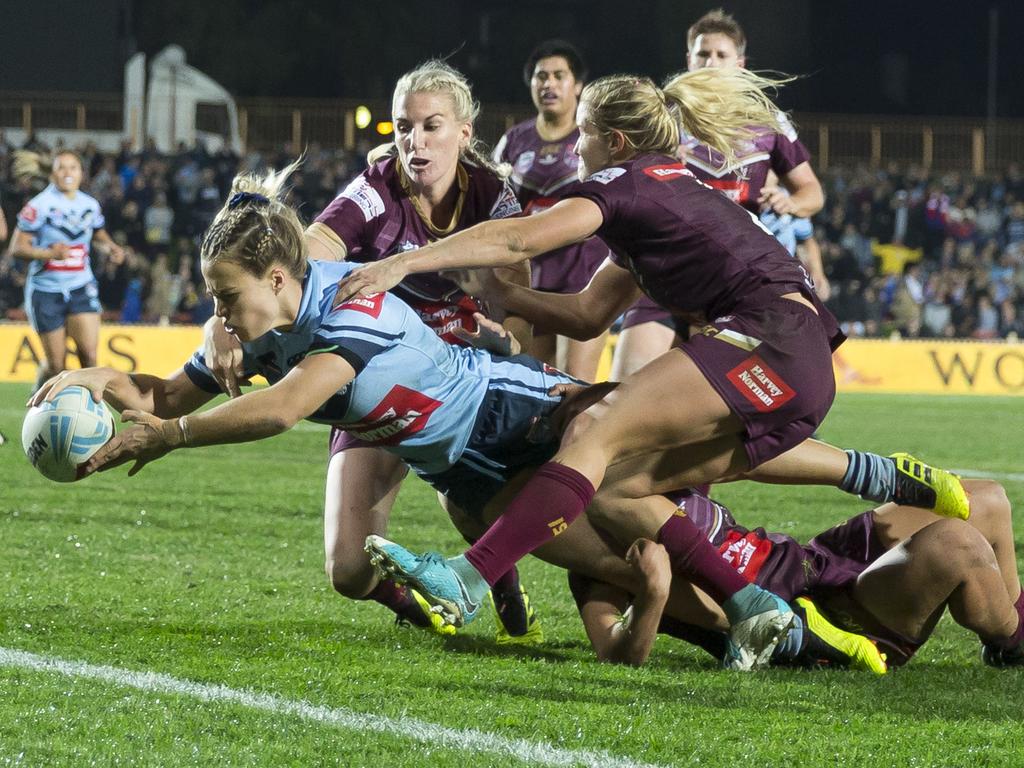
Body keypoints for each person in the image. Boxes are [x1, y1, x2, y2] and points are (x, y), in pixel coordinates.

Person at [35, 163, 808, 669]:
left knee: (682, 476)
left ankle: (800, 609)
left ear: (277, 278)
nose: (216, 314)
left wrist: (168, 438)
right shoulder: (262, 329)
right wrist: (96, 376)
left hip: (519, 423)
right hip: (464, 474)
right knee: (625, 569)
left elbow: (285, 411)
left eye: (224, 297)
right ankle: (749, 625)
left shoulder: (348, 307)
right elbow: (167, 395)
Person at [335, 67, 969, 646]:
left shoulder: (622, 181)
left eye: (582, 135)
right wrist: (508, 297)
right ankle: (761, 602)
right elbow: (587, 313)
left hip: (768, 338)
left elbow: (517, 236)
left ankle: (469, 579)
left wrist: (405, 262)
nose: (572, 152)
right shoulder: (664, 196)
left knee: (593, 427)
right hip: (795, 364)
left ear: (613, 140)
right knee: (622, 478)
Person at [202, 61, 543, 643]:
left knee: (470, 500)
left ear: (464, 132)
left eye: (431, 126)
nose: (415, 140)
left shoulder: (493, 196)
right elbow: (298, 257)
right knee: (347, 569)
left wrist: (507, 338)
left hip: (454, 378)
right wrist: (219, 318)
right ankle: (426, 613)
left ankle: (503, 586)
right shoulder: (375, 189)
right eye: (403, 126)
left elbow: (519, 299)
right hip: (365, 375)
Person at [572, 479, 1024, 672]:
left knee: (982, 499)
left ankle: (1009, 642)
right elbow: (615, 652)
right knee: (958, 546)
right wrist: (653, 592)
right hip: (818, 618)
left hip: (813, 562)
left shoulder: (641, 478)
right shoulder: (595, 550)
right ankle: (1013, 636)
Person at [612, 8, 825, 380]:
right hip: (663, 271)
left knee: (710, 411)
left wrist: (791, 202)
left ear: (740, 63)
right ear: (688, 60)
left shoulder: (768, 121)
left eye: (721, 55)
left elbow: (812, 192)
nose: (710, 62)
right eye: (703, 54)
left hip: (732, 282)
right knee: (622, 389)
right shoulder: (662, 116)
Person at [492, 40, 611, 380]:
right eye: (541, 76)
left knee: (573, 386)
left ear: (578, 85)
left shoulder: (593, 137)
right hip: (530, 283)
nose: (549, 84)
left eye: (559, 75)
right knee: (533, 385)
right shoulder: (514, 141)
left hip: (584, 282)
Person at [9, 150, 125, 391]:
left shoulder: (90, 205)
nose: (68, 173)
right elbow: (17, 248)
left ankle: (91, 419)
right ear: (52, 174)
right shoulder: (39, 206)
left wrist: (111, 248)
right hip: (46, 290)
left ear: (81, 173)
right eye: (62, 168)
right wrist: (48, 254)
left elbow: (97, 234)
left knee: (90, 358)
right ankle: (38, 403)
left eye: (73, 168)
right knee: (56, 366)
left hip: (81, 286)